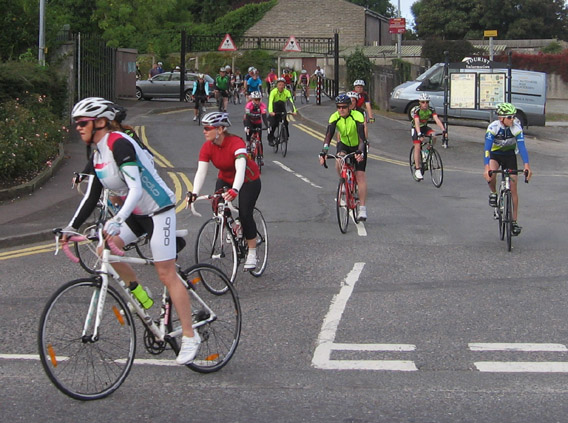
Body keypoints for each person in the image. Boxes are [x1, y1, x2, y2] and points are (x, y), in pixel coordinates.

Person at [64, 97, 200, 365]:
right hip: (136, 213)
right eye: (76, 124)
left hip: (158, 210)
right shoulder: (98, 152)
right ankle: (143, 298)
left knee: (165, 272)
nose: (78, 128)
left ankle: (189, 335)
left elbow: (136, 188)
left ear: (100, 122)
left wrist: (117, 219)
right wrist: (71, 227)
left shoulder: (119, 143)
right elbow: (92, 195)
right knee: (106, 250)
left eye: (82, 123)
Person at [188, 112, 261, 269]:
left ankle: (252, 253)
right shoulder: (207, 146)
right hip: (226, 178)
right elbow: (201, 172)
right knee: (217, 205)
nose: (204, 131)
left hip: (248, 179)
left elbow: (241, 169)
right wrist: (194, 193)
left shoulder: (236, 143)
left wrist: (235, 190)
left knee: (245, 214)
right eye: (204, 128)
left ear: (220, 129)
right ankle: (232, 226)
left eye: (207, 128)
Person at [483, 102, 532, 236]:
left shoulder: (516, 127)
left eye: (513, 116)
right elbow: (487, 149)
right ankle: (494, 193)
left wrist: (526, 165)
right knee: (492, 174)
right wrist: (486, 167)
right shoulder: (493, 127)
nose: (513, 119)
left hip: (509, 156)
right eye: (509, 117)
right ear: (501, 118)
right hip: (495, 155)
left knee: (514, 188)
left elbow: (522, 147)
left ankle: (514, 222)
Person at [318, 94, 368, 221]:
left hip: (358, 145)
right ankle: (344, 181)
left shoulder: (357, 116)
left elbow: (362, 138)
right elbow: (328, 136)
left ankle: (362, 209)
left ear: (349, 107)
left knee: (360, 175)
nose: (341, 110)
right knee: (338, 160)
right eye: (338, 107)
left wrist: (360, 152)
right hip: (344, 144)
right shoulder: (334, 117)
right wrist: (324, 152)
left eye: (344, 107)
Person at [410, 93, 446, 181]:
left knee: (434, 136)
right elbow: (417, 123)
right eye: (423, 102)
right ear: (420, 103)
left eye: (427, 102)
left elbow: (436, 119)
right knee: (417, 146)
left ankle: (427, 151)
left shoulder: (431, 110)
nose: (425, 104)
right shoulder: (417, 111)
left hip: (425, 127)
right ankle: (417, 169)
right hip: (416, 128)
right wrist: (419, 134)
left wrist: (444, 130)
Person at [267, 77, 297, 147]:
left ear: (284, 85)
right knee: (273, 124)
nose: (281, 86)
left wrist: (293, 111)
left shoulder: (287, 92)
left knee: (285, 122)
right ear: (277, 85)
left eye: (282, 85)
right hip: (274, 109)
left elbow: (290, 102)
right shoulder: (273, 92)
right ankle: (270, 139)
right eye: (279, 85)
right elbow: (270, 102)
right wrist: (271, 111)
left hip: (282, 108)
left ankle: (285, 136)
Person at [243, 91, 269, 164]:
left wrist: (267, 126)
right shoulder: (248, 106)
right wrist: (247, 127)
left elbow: (264, 117)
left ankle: (261, 157)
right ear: (252, 99)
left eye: (258, 99)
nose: (257, 101)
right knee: (248, 135)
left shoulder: (262, 106)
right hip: (249, 121)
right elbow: (247, 117)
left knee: (259, 140)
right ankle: (248, 146)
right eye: (255, 99)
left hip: (258, 122)